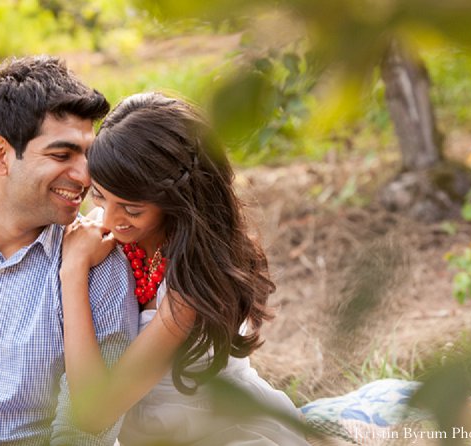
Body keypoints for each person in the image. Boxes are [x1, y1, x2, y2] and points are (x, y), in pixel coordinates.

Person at [61, 92, 310, 445]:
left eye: (131, 208)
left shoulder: (191, 281)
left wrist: (72, 272)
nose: (112, 220)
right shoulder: (101, 232)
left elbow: (92, 413)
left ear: (178, 200)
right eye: (100, 196)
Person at [0, 55, 139, 445]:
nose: (85, 177)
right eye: (61, 156)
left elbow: (86, 433)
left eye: (88, 156)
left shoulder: (101, 263)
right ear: (0, 155)